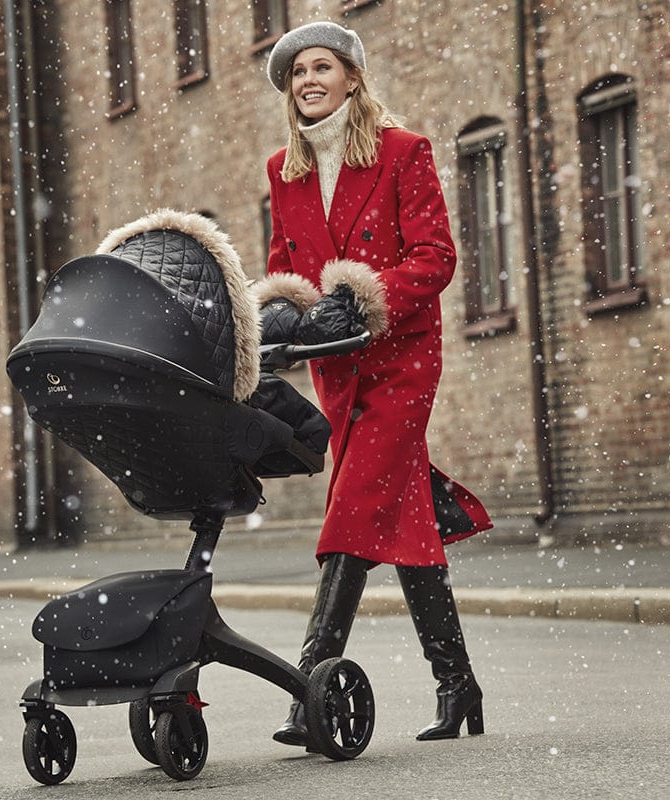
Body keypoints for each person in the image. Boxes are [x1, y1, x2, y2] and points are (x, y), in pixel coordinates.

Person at [250, 20, 494, 745]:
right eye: (297, 73)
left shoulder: (402, 152)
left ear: (352, 77)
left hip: (400, 358)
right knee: (402, 513)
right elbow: (285, 263)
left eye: (321, 67)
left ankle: (308, 689)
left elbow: (435, 256)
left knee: (352, 508)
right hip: (338, 368)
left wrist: (365, 296)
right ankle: (458, 684)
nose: (308, 81)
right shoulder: (283, 170)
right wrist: (281, 311)